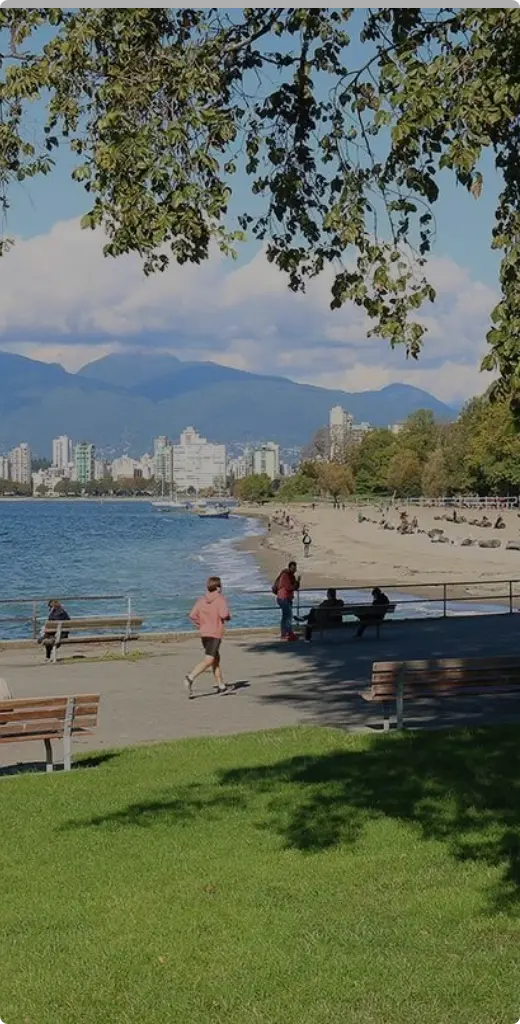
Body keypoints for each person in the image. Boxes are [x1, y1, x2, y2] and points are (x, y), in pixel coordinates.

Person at [184, 576, 231, 698]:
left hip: (204, 632)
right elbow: (224, 614)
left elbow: (192, 615)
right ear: (218, 588)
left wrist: (201, 623)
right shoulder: (220, 599)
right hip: (215, 633)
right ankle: (190, 677)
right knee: (209, 659)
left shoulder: (201, 600)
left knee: (216, 659)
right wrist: (227, 617)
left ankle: (221, 685)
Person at [272, 560, 300, 641]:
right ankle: (288, 634)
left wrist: (298, 582)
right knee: (287, 616)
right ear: (289, 568)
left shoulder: (292, 576)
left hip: (288, 598)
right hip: (283, 598)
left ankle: (285, 634)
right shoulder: (285, 575)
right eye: (293, 568)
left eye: (295, 568)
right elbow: (289, 587)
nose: (294, 570)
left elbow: (295, 587)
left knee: (286, 616)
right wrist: (295, 584)